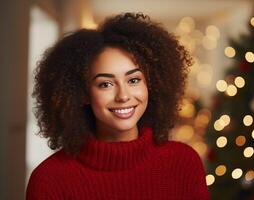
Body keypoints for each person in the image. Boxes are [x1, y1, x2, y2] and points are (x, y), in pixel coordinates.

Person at [26, 12, 210, 200]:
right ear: (83, 94)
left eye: (134, 80)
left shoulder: (183, 162)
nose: (123, 96)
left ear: (151, 84)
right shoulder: (49, 179)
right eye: (105, 84)